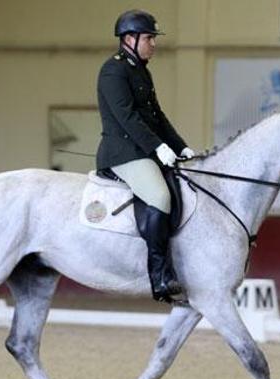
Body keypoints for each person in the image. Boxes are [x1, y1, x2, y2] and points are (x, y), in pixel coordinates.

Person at [96, 9, 195, 302]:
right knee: (160, 197)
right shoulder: (113, 70)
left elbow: (157, 116)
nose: (154, 43)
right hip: (123, 153)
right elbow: (126, 117)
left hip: (145, 150)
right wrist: (157, 147)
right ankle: (159, 275)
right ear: (130, 38)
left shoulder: (141, 70)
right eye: (149, 38)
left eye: (153, 38)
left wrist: (180, 146)